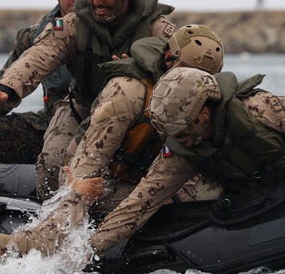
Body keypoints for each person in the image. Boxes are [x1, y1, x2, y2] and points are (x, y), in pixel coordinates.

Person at [0, 0, 176, 200]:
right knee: (51, 165)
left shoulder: (158, 31)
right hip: (80, 107)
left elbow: (185, 79)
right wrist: (6, 89)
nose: (96, 1)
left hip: (136, 121)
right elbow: (40, 54)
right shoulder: (73, 23)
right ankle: (51, 219)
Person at [88, 66, 285, 254]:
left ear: (204, 113)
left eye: (180, 130)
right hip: (246, 201)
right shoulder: (181, 151)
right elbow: (139, 204)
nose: (174, 138)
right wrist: (92, 246)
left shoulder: (256, 108)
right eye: (168, 132)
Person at [66, 24, 225, 213]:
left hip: (142, 176)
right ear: (168, 59)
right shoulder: (129, 92)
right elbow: (90, 162)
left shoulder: (203, 102)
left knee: (210, 189)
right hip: (99, 173)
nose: (189, 83)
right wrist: (76, 198)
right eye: (186, 71)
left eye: (200, 79)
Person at [0, 0, 88, 173]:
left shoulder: (108, 34)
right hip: (48, 124)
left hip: (93, 128)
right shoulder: (34, 36)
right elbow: (4, 88)